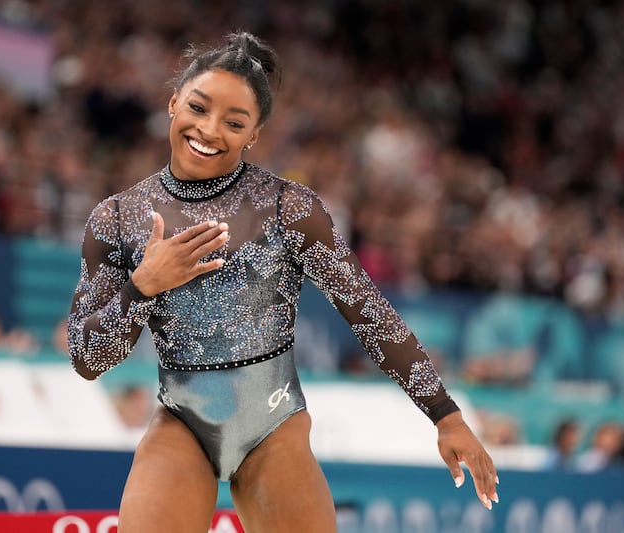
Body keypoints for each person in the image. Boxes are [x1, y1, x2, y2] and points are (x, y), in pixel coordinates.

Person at [67, 31, 499, 532]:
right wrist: (142, 286)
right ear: (173, 102)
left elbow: (370, 315)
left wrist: (446, 415)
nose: (209, 130)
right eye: (198, 108)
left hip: (273, 425)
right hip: (181, 423)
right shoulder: (117, 218)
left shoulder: (287, 208)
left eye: (234, 122)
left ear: (254, 135)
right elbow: (87, 360)